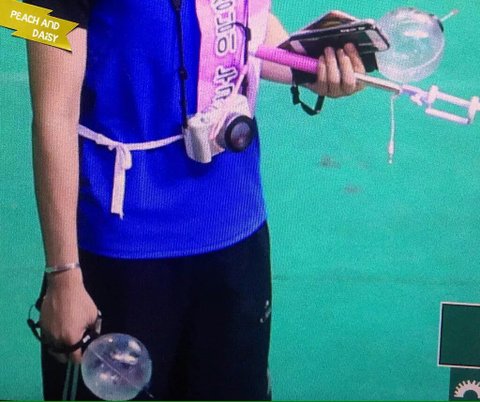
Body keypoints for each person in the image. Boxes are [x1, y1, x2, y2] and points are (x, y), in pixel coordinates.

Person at [25, 0, 366, 399]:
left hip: (237, 233)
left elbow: (244, 25)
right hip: (118, 249)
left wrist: (310, 64)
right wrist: (63, 274)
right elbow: (52, 116)